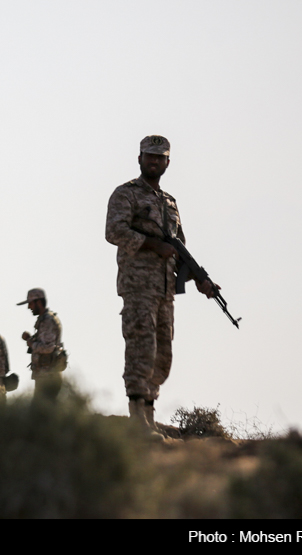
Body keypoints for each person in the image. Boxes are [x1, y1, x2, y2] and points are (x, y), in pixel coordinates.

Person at [105, 135, 216, 432]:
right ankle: (137, 417)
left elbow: (180, 249)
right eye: (149, 156)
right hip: (138, 286)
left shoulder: (170, 203)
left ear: (168, 162)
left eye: (160, 157)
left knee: (162, 355)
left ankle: (150, 416)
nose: (154, 161)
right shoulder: (126, 194)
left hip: (166, 291)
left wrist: (200, 280)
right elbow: (114, 231)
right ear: (139, 159)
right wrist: (152, 246)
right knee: (141, 347)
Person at [17, 288, 65, 402]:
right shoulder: (45, 319)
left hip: (48, 377)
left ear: (38, 302)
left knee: (42, 413)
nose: (29, 307)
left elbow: (48, 348)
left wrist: (30, 342)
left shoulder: (47, 320)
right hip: (45, 376)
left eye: (30, 303)